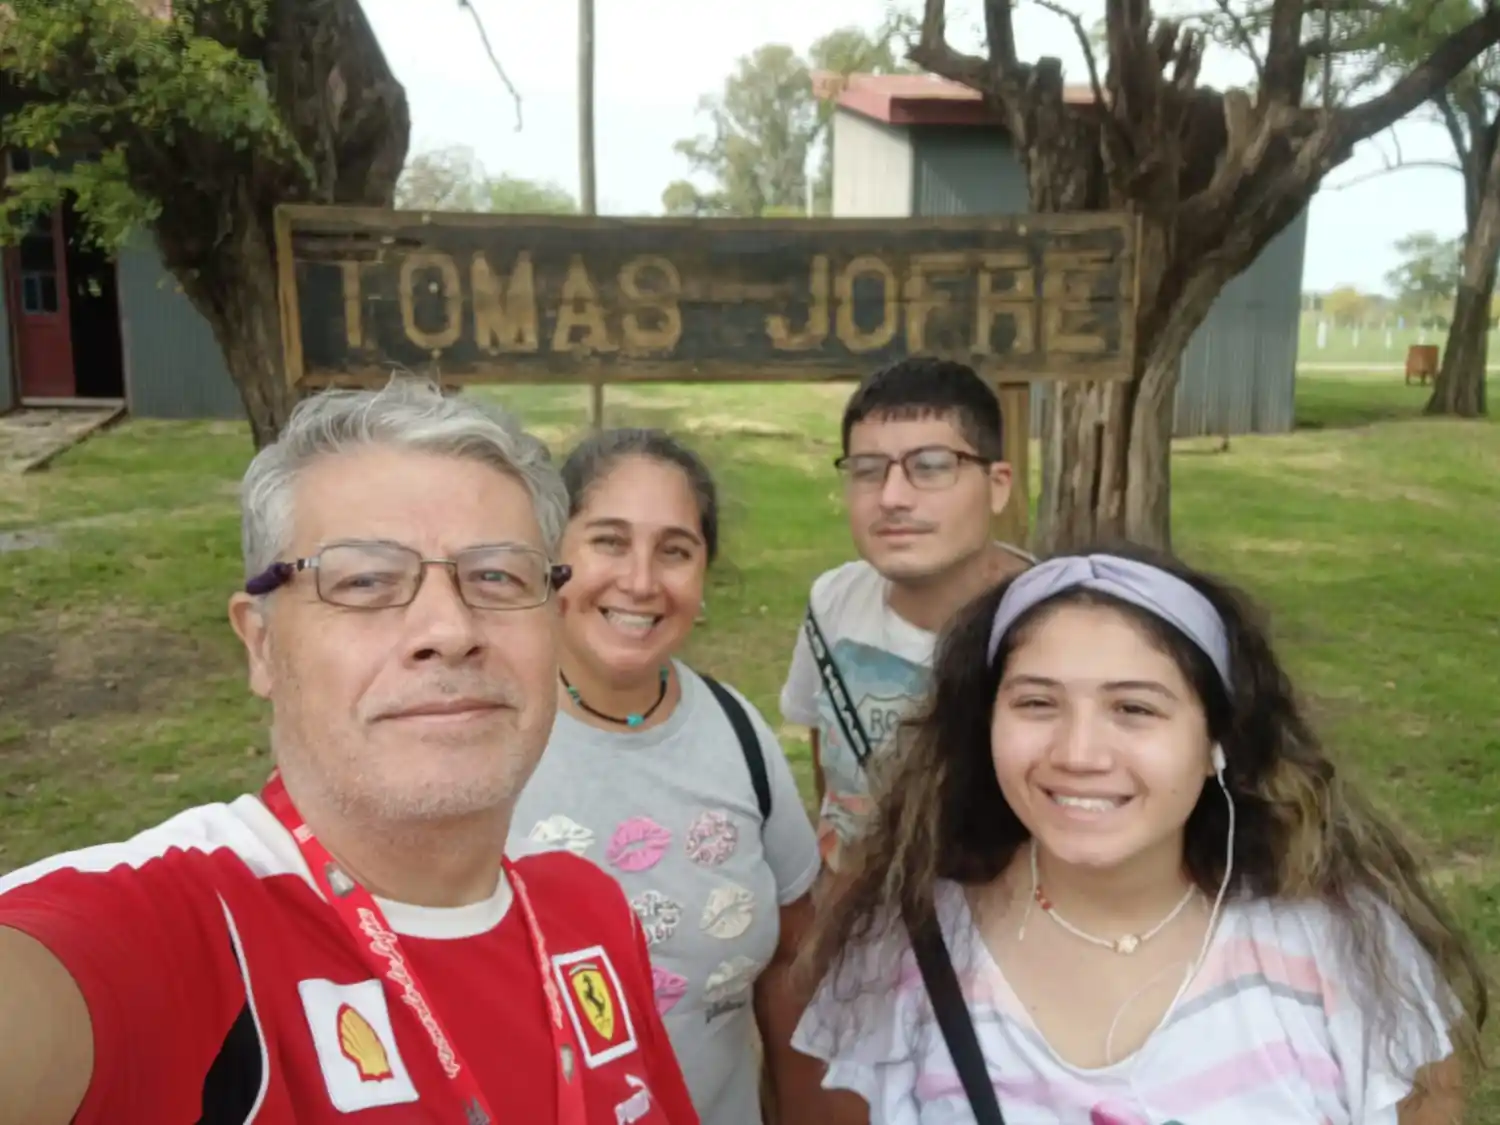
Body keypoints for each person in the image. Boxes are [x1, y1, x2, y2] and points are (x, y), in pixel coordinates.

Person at [0, 379, 698, 1125]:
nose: (450, 629)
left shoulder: (590, 912)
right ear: (261, 643)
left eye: (497, 576)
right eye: (365, 580)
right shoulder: (186, 928)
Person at [791, 547, 1488, 1125]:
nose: (1079, 753)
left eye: (1134, 708)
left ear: (1217, 739)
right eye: (1037, 702)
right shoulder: (901, 951)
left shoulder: (1343, 953)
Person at [511, 428, 824, 1125]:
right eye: (609, 541)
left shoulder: (736, 731)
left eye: (675, 550)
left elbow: (794, 957)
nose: (641, 581)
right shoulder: (482, 738)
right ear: (553, 554)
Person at [780, 357, 1033, 871]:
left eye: (932, 467)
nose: (892, 498)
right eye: (867, 471)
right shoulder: (833, 604)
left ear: (998, 484)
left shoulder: (1057, 626)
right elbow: (830, 759)